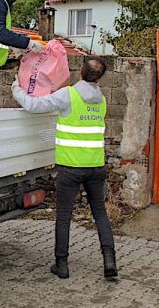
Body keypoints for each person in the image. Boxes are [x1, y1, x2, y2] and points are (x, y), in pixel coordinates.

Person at [12, 57, 116, 279]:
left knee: (64, 215)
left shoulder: (68, 94)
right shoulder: (102, 99)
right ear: (100, 77)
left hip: (70, 167)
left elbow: (33, 105)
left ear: (80, 71)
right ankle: (109, 260)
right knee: (100, 213)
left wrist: (16, 88)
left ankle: (62, 264)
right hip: (96, 165)